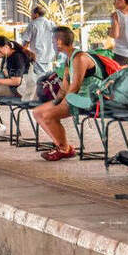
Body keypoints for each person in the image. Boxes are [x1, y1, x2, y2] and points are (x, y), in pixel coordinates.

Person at [31, 26, 101, 161]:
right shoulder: (70, 57)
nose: (52, 44)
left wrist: (61, 104)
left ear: (59, 42)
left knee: (48, 116)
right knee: (37, 112)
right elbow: (65, 86)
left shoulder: (80, 58)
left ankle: (64, 149)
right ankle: (62, 146)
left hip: (89, 99)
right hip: (76, 96)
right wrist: (56, 101)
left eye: (53, 41)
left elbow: (75, 85)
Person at [20, 4, 56, 70]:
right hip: (50, 57)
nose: (31, 16)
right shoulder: (52, 24)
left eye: (32, 14)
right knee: (48, 77)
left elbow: (26, 42)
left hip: (37, 57)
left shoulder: (33, 24)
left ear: (36, 14)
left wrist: (21, 53)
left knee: (39, 78)